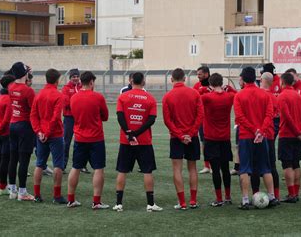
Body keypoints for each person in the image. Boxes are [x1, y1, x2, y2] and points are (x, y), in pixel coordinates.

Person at [113, 72, 163, 212]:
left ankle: (118, 204)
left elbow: (120, 117)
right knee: (147, 171)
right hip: (144, 140)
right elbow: (151, 120)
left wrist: (129, 133)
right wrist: (137, 133)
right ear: (143, 82)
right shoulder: (150, 98)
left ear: (131, 81)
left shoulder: (123, 97)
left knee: (122, 171)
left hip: (126, 140)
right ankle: (150, 204)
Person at [234, 67, 279, 209]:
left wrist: (254, 131)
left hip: (247, 136)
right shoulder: (264, 94)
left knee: (245, 169)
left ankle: (246, 200)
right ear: (255, 78)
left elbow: (240, 117)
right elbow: (269, 115)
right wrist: (261, 131)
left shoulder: (239, 95)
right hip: (262, 137)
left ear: (243, 78)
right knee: (265, 168)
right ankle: (272, 197)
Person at [163, 68, 204, 210]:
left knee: (177, 169)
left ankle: (182, 202)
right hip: (192, 137)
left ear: (171, 79)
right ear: (185, 78)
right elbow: (200, 116)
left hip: (176, 138)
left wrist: (180, 135)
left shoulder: (167, 96)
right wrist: (191, 133)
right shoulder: (194, 93)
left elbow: (167, 121)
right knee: (192, 168)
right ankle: (193, 200)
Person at [67, 71, 109, 209]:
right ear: (91, 82)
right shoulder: (98, 97)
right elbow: (105, 116)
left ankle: (71, 199)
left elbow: (73, 114)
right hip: (96, 138)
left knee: (76, 167)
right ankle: (96, 202)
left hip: (80, 137)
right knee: (98, 168)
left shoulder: (74, 97)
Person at [30, 69, 67, 204]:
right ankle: (57, 196)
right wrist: (47, 132)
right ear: (57, 80)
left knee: (40, 164)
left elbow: (33, 115)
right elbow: (56, 117)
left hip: (41, 135)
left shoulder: (38, 95)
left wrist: (39, 132)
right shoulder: (58, 95)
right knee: (58, 164)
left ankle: (37, 195)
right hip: (55, 134)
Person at [201, 73, 235, 207]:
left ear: (210, 83)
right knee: (225, 169)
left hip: (210, 137)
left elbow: (196, 99)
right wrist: (229, 88)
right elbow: (237, 94)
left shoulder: (207, 97)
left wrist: (205, 89)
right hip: (225, 138)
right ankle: (228, 196)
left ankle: (219, 198)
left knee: (215, 170)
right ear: (222, 82)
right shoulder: (229, 96)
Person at [277, 73, 301, 203]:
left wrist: (296, 131)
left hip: (287, 134)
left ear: (282, 82)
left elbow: (286, 117)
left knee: (287, 164)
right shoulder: (299, 96)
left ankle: (291, 194)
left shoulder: (282, 96)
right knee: (296, 164)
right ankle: (296, 193)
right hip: (298, 135)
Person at [7, 62, 36, 201]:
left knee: (13, 158)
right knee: (24, 160)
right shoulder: (28, 90)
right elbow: (34, 111)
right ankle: (22, 192)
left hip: (13, 124)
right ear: (25, 74)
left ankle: (12, 189)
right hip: (25, 126)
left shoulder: (11, 87)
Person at [252, 72, 280, 200]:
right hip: (269, 135)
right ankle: (275, 195)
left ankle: (255, 194)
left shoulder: (259, 95)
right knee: (271, 166)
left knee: (256, 166)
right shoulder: (275, 97)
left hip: (258, 134)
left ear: (262, 80)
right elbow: (276, 117)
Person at [62, 68, 88, 174]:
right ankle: (62, 166)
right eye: (73, 77)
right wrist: (78, 102)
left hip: (80, 117)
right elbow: (65, 103)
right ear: (70, 77)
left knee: (82, 141)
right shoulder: (66, 88)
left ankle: (81, 165)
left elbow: (87, 100)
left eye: (77, 76)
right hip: (69, 118)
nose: (76, 78)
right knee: (66, 142)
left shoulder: (82, 86)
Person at [194, 66, 212, 174]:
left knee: (213, 142)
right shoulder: (197, 86)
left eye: (200, 74)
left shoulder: (213, 84)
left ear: (206, 74)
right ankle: (207, 166)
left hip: (213, 119)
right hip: (202, 119)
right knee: (203, 142)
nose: (198, 76)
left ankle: (214, 165)